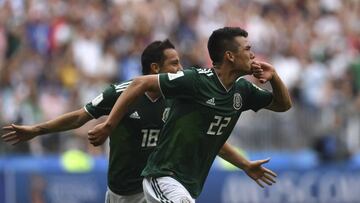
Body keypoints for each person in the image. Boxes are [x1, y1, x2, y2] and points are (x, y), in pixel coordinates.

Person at [2, 39, 277, 203]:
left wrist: (243, 165)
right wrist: (36, 130)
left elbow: (207, 138)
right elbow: (79, 116)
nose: (180, 70)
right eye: (174, 64)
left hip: (158, 184)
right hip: (121, 190)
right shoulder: (121, 94)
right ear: (155, 69)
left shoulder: (180, 97)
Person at [88, 27, 292, 203]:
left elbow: (283, 105)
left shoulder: (243, 90)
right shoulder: (196, 80)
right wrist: (109, 125)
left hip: (188, 184)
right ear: (230, 55)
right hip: (163, 177)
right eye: (247, 49)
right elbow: (140, 83)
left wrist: (274, 77)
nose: (253, 55)